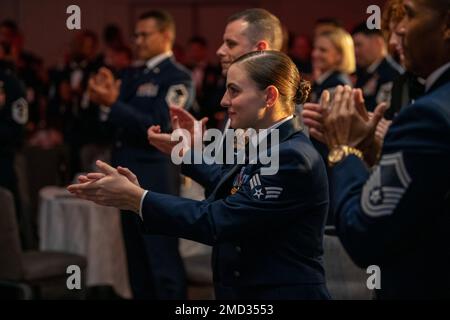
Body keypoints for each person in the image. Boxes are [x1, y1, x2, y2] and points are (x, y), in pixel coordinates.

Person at [68, 50, 331, 300]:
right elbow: (231, 185)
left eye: (234, 91)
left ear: (269, 96)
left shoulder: (291, 156)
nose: (224, 101)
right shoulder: (269, 142)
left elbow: (218, 220)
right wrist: (185, 154)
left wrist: (138, 199)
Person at [306, 0, 450, 299]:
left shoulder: (429, 115)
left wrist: (344, 149)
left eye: (409, 14)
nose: (396, 30)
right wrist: (377, 153)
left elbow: (365, 234)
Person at [87, 10, 194, 299]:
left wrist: (114, 104)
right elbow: (111, 124)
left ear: (166, 35)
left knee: (161, 259)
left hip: (155, 178)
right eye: (135, 34)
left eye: (145, 34)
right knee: (136, 262)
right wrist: (103, 103)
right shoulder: (133, 74)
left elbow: (159, 125)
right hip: (126, 174)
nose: (137, 40)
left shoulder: (177, 77)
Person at [352, 22, 403, 112]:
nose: (355, 51)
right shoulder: (361, 72)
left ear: (377, 42)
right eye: (354, 46)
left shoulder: (392, 74)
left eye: (359, 45)